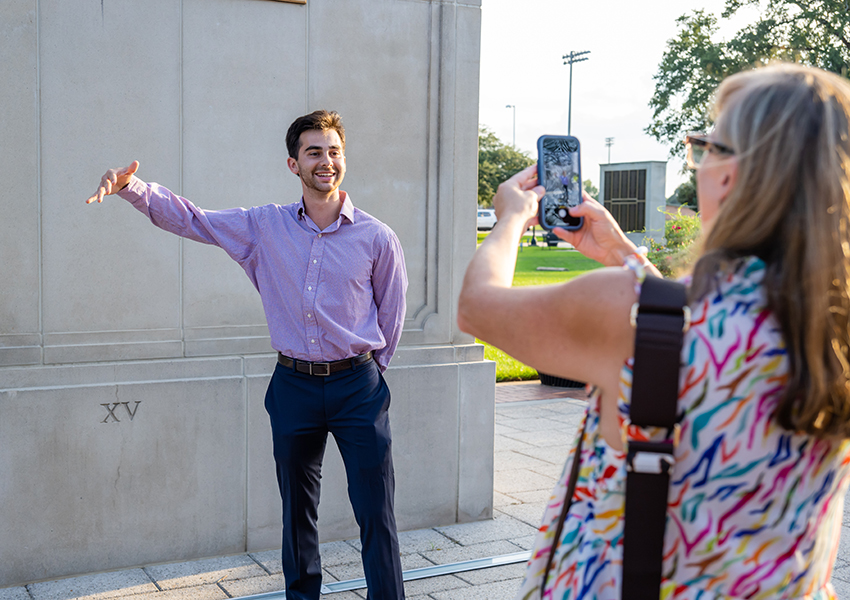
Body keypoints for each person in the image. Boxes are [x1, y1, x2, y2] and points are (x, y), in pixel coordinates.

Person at [458, 63, 850, 599]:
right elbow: (701, 340)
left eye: (707, 145)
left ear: (732, 174)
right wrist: (623, 255)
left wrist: (509, 218)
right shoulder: (832, 328)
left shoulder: (622, 312)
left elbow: (478, 308)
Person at [87, 110, 408, 600]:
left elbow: (392, 313)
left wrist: (369, 375)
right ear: (293, 163)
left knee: (376, 512)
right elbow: (195, 219)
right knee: (297, 513)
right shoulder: (264, 227)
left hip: (357, 388)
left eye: (334, 151)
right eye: (314, 152)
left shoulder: (377, 236)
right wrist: (133, 189)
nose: (326, 161)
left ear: (344, 159)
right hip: (293, 386)